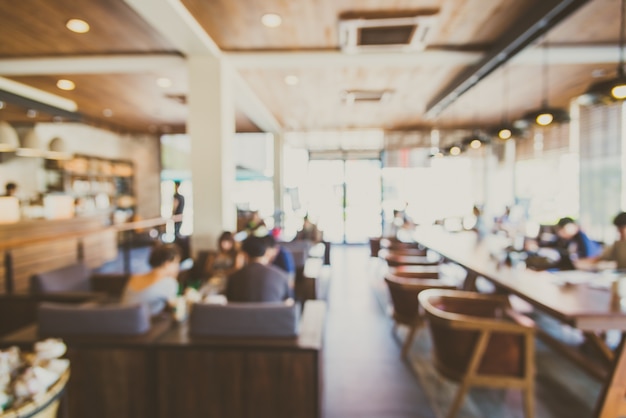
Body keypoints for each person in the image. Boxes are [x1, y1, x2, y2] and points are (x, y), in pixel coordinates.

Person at [225, 235, 291, 302]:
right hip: (272, 312)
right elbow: (289, 304)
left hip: (243, 312)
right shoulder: (281, 276)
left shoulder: (234, 278)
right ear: (265, 252)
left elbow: (230, 304)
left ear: (244, 255)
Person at [121, 243, 181, 315]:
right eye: (176, 262)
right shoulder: (169, 283)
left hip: (122, 321)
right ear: (167, 264)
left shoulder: (135, 277)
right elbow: (177, 310)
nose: (178, 267)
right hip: (144, 325)